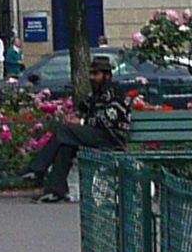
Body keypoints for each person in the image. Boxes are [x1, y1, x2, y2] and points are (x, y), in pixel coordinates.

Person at [29, 55, 134, 203]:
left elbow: (107, 120)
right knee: (66, 143)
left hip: (111, 138)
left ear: (107, 76)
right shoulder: (96, 94)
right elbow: (83, 107)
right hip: (96, 135)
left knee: (65, 131)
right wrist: (75, 116)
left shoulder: (116, 94)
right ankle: (55, 190)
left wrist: (82, 121)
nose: (92, 77)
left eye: (96, 74)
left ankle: (36, 169)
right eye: (91, 74)